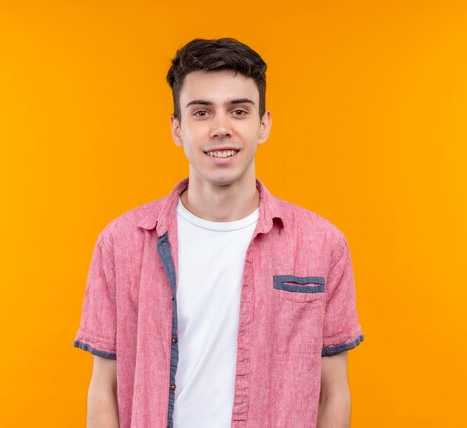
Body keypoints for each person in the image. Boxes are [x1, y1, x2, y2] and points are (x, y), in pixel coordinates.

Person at [73, 37, 364, 428]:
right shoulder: (121, 242)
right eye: (202, 112)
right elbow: (103, 390)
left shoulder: (323, 245)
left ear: (264, 125)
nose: (221, 128)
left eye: (238, 111)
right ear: (177, 128)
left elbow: (333, 393)